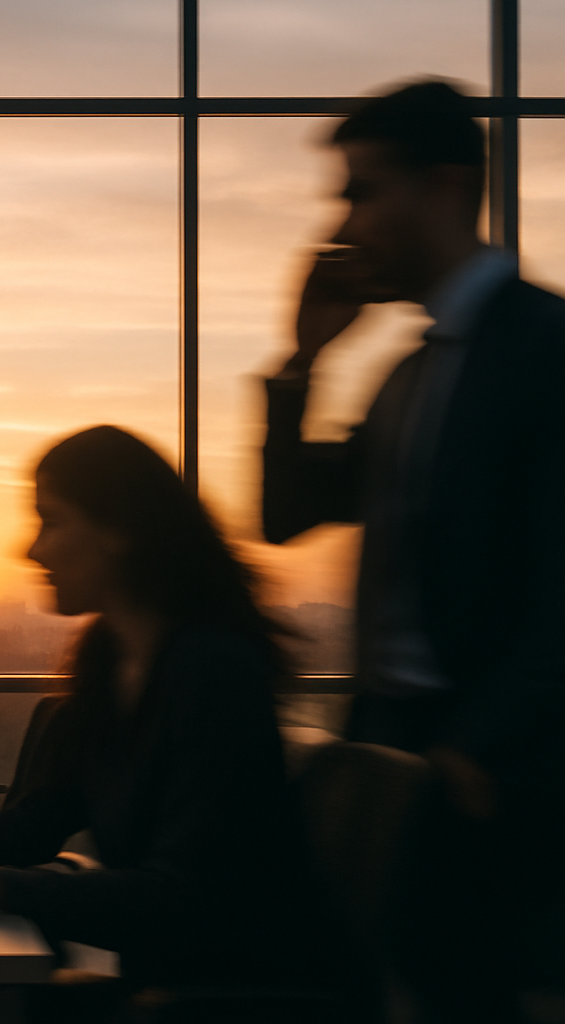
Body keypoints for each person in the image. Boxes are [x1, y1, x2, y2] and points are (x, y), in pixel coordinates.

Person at [0, 427, 318, 1021]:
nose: (32, 550)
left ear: (118, 530)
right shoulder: (112, 658)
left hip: (214, 1004)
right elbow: (43, 819)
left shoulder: (214, 671)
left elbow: (183, 895)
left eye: (51, 521)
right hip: (161, 991)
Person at [261, 79, 565, 1021]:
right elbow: (285, 517)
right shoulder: (408, 376)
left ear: (444, 186)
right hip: (394, 751)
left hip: (483, 771)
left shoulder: (546, 348)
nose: (343, 224)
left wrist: (481, 750)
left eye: (363, 192)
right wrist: (304, 361)